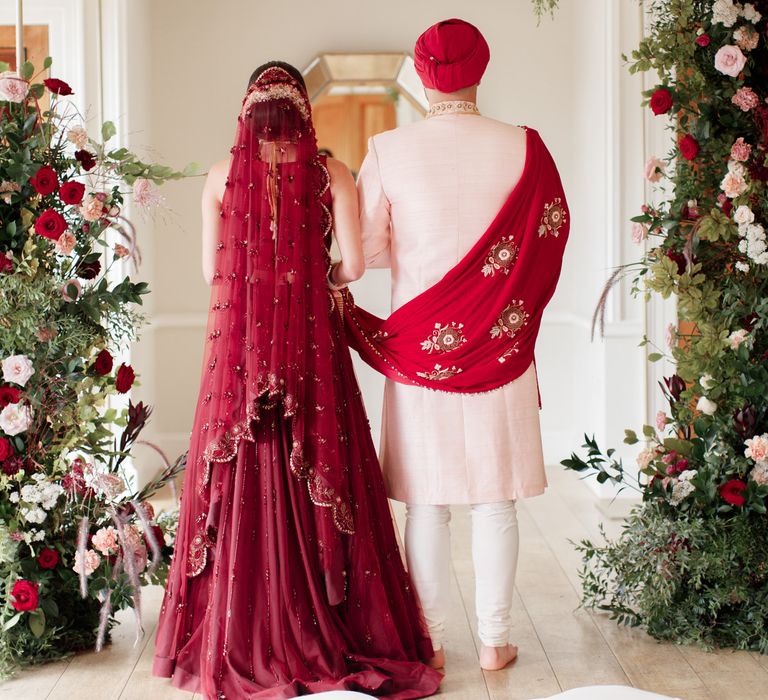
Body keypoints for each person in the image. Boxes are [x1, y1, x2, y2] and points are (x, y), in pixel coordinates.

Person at [152, 61, 442, 699]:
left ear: (247, 110)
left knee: (242, 470)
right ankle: (328, 622)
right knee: (319, 458)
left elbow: (212, 274)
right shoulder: (330, 173)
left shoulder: (221, 175)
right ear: (301, 110)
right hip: (311, 344)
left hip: (242, 349)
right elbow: (356, 267)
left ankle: (238, 629)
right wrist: (312, 281)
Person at [341, 19, 570, 672]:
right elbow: (550, 236)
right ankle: (495, 640)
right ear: (482, 68)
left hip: (418, 349)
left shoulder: (389, 148)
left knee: (428, 503)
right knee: (495, 498)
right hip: (501, 349)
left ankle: (431, 640)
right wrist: (502, 311)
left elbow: (371, 253)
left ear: (419, 72)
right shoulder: (526, 146)